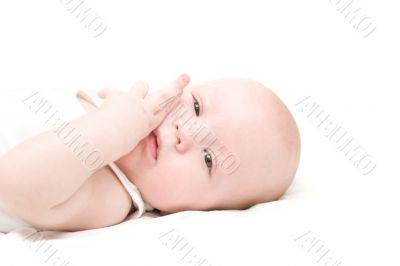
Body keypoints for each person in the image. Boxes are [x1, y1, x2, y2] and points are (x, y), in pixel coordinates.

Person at [0, 74, 300, 232]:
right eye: (196, 106)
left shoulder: (114, 194)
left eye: (208, 159)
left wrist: (112, 128)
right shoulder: (127, 108)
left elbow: (12, 184)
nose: (187, 131)